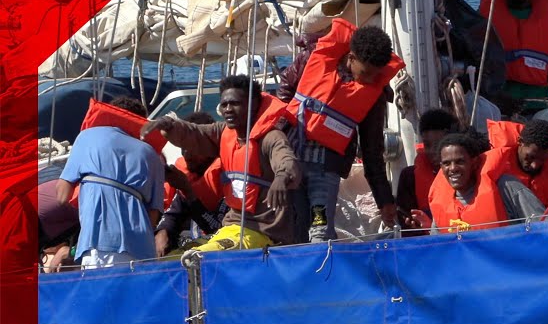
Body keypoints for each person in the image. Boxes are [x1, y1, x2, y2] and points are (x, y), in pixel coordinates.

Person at [279, 20, 404, 243]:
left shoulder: (372, 95)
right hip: (290, 164)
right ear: (352, 57)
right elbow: (284, 92)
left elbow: (372, 152)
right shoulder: (310, 60)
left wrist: (384, 201)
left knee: (320, 228)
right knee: (293, 228)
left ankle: (323, 270)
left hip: (324, 173)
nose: (369, 80)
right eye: (365, 73)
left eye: (375, 75)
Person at [142, 75, 300, 250]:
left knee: (196, 258)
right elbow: (194, 132)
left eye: (235, 104)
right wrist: (169, 125)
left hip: (264, 232)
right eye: (224, 104)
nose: (228, 109)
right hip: (232, 227)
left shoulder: (271, 138)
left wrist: (282, 177)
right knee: (174, 259)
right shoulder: (223, 132)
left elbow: (286, 160)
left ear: (253, 104)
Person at [55, 96, 166, 269]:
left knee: (101, 295)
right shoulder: (153, 155)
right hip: (142, 248)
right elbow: (153, 215)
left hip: (100, 241)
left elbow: (62, 195)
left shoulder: (87, 136)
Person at [422, 131, 545, 232]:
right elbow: (437, 248)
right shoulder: (439, 200)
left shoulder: (506, 187)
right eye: (446, 163)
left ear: (474, 163)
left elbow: (546, 229)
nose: (453, 168)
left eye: (460, 162)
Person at [154, 110, 225, 255]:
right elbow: (172, 215)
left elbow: (218, 229)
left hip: (218, 257)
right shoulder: (189, 176)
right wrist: (163, 232)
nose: (187, 155)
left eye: (192, 149)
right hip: (188, 254)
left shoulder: (228, 179)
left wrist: (188, 191)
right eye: (183, 148)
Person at [486, 118, 548, 213]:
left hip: (541, 224)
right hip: (505, 223)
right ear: (520, 142)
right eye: (530, 157)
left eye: (542, 159)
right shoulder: (495, 166)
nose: (535, 165)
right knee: (505, 181)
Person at [395, 108, 461, 228]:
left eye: (438, 145)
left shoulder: (463, 174)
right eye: (427, 145)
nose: (431, 151)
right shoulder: (409, 177)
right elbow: (407, 228)